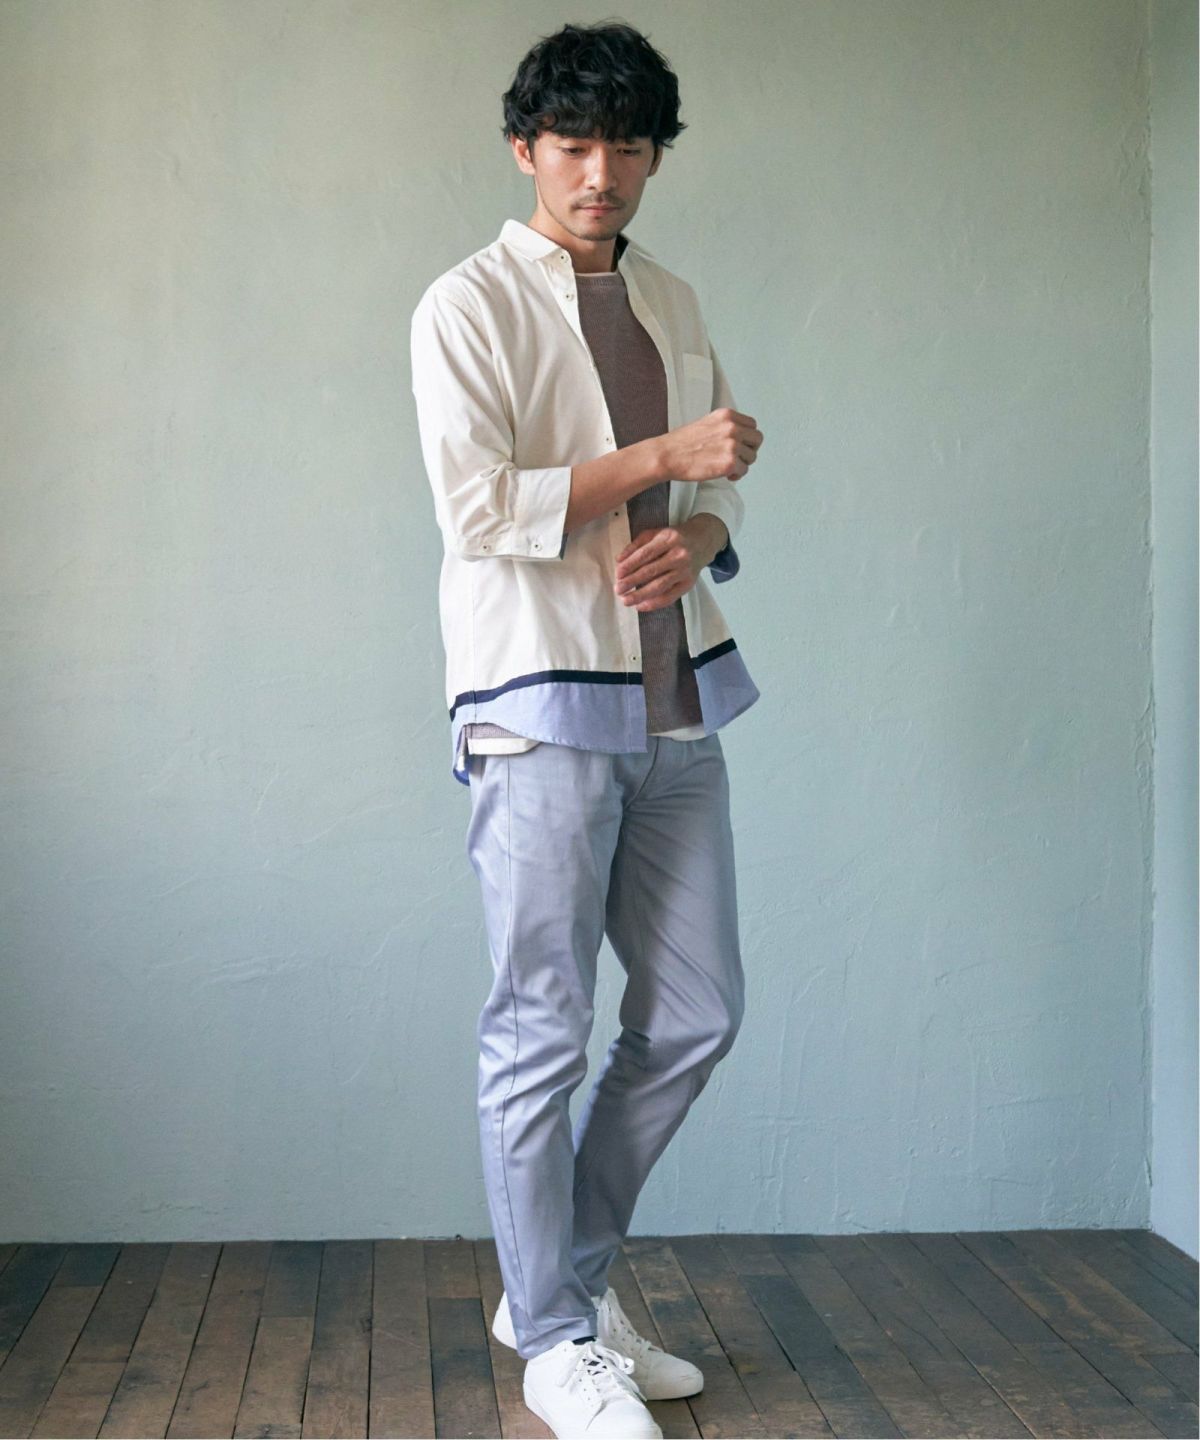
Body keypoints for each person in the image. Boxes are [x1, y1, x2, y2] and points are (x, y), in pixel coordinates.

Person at [410, 19, 764, 1438]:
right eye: (573, 145)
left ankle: (556, 1285)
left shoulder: (670, 298)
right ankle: (558, 1342)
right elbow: (478, 510)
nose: (600, 172)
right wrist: (664, 456)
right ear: (526, 149)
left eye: (626, 146)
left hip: (675, 700)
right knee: (540, 1027)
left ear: (654, 156)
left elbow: (714, 485)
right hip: (541, 702)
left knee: (696, 1014)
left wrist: (701, 529)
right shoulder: (467, 304)